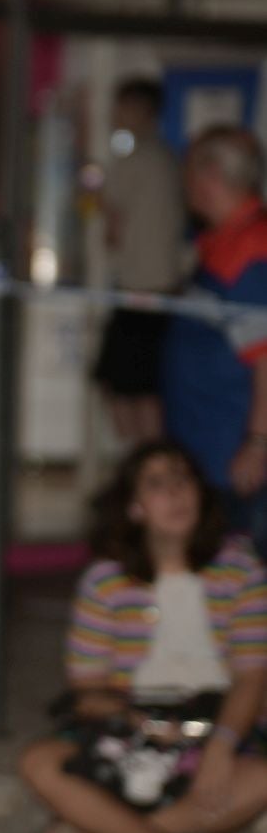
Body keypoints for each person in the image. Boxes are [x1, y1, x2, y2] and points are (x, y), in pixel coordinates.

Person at [19, 441, 267, 833]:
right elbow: (87, 688)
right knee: (40, 763)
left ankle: (100, 832)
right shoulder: (107, 580)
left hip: (215, 725)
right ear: (135, 508)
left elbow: (252, 676)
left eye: (182, 479)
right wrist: (143, 724)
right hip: (134, 728)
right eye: (157, 484)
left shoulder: (240, 572)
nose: (175, 493)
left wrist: (221, 747)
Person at [160, 126, 267, 547]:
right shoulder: (224, 240)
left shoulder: (250, 253)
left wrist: (258, 443)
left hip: (236, 455)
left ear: (210, 177)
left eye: (189, 170)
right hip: (212, 445)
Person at [93, 78, 184, 444]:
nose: (113, 115)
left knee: (127, 388)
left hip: (139, 291)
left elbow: (110, 221)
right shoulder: (167, 157)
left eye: (121, 106)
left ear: (140, 110)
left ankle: (143, 465)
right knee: (144, 387)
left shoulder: (135, 160)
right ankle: (148, 464)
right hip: (162, 289)